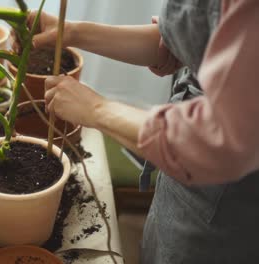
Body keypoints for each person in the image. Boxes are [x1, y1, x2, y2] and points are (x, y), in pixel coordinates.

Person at [29, 0, 259, 263]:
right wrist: (70, 32)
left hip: (226, 209)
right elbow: (178, 43)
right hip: (184, 179)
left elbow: (217, 139)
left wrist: (96, 109)